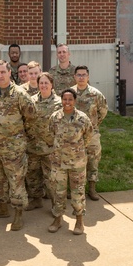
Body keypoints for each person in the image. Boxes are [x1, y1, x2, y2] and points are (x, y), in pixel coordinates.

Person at [0, 61, 36, 230]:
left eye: (2, 72)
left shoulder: (20, 93)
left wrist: (19, 136)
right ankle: (2, 207)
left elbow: (31, 117)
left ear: (9, 72)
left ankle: (18, 214)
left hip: (14, 149)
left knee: (16, 183)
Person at [48, 88, 94, 235]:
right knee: (58, 192)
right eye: (65, 99)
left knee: (77, 192)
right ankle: (57, 219)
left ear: (75, 101)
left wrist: (77, 149)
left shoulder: (82, 118)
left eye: (70, 99)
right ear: (61, 100)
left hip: (77, 163)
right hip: (58, 162)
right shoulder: (55, 117)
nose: (67, 102)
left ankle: (79, 221)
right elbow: (51, 135)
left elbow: (88, 136)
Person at [73, 65, 108, 201]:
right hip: (75, 135)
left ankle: (92, 188)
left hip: (92, 135)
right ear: (74, 77)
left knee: (93, 161)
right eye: (79, 75)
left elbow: (103, 111)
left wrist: (94, 125)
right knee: (75, 161)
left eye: (84, 75)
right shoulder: (70, 93)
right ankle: (76, 189)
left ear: (88, 77)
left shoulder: (96, 94)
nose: (81, 77)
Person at [27, 72, 61, 211]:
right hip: (33, 146)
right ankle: (36, 200)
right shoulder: (31, 100)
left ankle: (55, 205)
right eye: (41, 83)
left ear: (52, 84)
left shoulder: (59, 103)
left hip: (50, 148)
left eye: (46, 83)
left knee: (52, 179)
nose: (44, 85)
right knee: (32, 176)